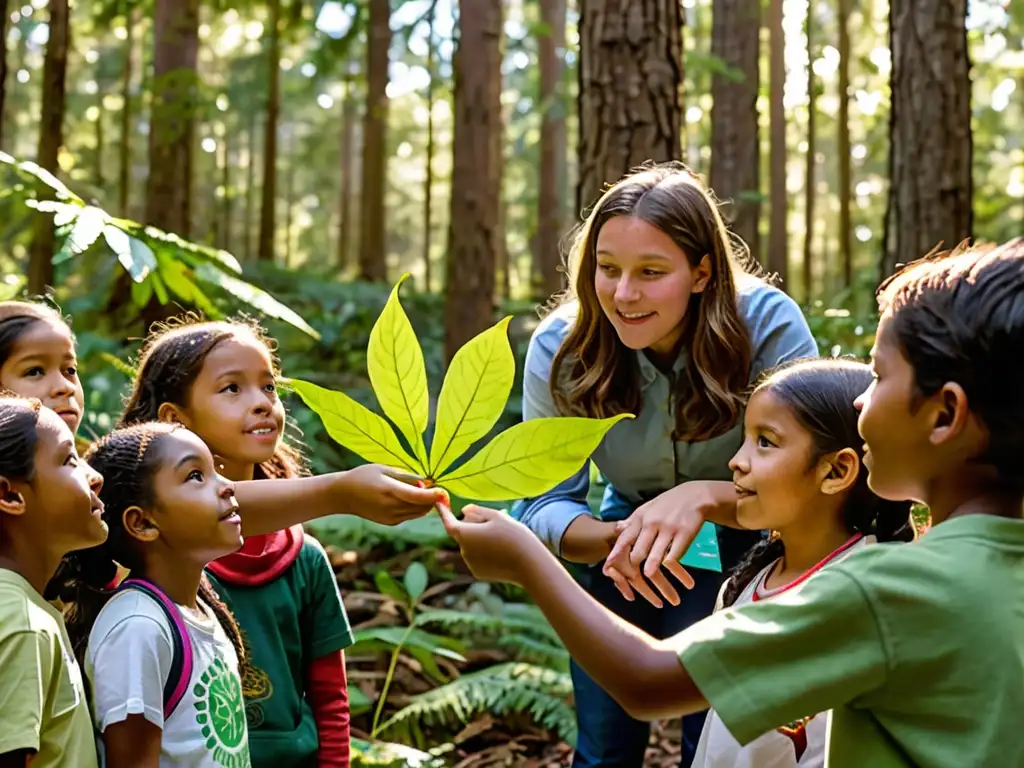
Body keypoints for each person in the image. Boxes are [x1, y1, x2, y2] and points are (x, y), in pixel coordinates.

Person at [441, 239, 1024, 767]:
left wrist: (524, 558)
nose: (860, 403)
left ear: (944, 415)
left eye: (877, 375)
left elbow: (647, 682)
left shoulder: (884, 590)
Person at [512, 161, 817, 765]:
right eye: (608, 269)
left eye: (651, 273)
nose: (624, 294)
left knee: (714, 747)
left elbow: (811, 488)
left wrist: (702, 498)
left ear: (702, 271)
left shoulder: (768, 327)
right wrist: (616, 540)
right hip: (617, 544)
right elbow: (539, 501)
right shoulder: (559, 348)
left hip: (754, 543)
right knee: (603, 750)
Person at [0, 300, 446, 540]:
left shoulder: (87, 472)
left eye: (70, 369)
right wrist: (339, 491)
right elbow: (183, 509)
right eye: (35, 372)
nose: (63, 386)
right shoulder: (106, 481)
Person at [121, 318, 354, 767]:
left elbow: (330, 700)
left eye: (269, 387)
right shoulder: (160, 552)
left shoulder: (304, 559)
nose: (263, 403)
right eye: (232, 389)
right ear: (175, 420)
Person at [692, 359, 913, 768]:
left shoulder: (863, 595)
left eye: (765, 442)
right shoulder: (747, 583)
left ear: (836, 470)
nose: (736, 462)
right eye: (745, 438)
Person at [54, 422, 253, 767]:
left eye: (216, 471)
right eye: (195, 475)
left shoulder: (201, 610)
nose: (227, 487)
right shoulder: (138, 626)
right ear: (142, 523)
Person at [0, 396, 106, 768]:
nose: (96, 477)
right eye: (69, 460)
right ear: (9, 495)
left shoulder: (27, 609)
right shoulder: (23, 623)